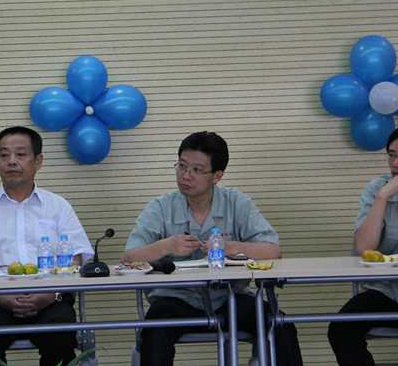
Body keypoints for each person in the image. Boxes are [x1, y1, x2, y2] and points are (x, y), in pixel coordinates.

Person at [122, 131, 303, 366]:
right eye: (181, 166)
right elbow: (128, 258)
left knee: (279, 324)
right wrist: (166, 246)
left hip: (229, 298)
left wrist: (231, 247)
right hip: (175, 299)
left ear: (217, 176)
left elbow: (272, 250)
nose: (186, 175)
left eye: (197, 170)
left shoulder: (236, 203)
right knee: (154, 330)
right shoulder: (160, 207)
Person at [0, 126, 94, 366]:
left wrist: (48, 295)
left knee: (61, 339)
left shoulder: (58, 206)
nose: (11, 161)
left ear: (38, 161)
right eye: (4, 155)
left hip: (51, 299)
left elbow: (76, 258)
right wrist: (0, 298)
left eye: (21, 154)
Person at [328, 123, 398, 365]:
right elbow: (364, 248)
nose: (395, 163)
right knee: (341, 329)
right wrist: (382, 198)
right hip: (385, 289)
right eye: (391, 155)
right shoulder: (378, 188)